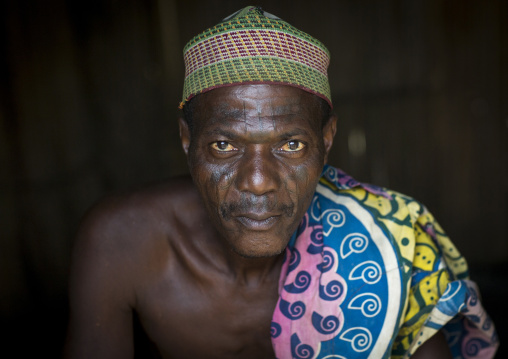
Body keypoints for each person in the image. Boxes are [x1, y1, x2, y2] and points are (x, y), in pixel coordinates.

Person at [64, 6, 498, 359]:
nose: (257, 183)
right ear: (186, 140)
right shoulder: (121, 242)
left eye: (290, 145)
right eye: (223, 146)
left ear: (326, 142)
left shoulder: (389, 244)